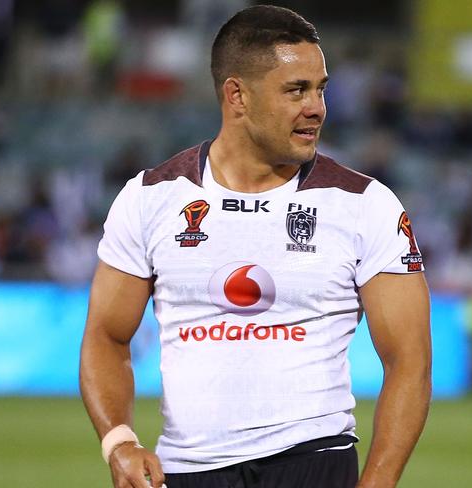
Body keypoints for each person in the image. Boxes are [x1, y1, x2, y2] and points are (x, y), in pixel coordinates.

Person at [80, 5, 431, 488]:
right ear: (237, 95)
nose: (317, 108)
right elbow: (105, 334)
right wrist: (119, 441)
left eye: (320, 88)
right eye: (296, 90)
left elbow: (410, 360)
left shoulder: (365, 204)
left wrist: (377, 483)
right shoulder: (150, 198)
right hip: (186, 470)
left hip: (315, 460)